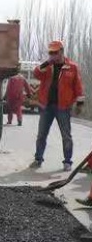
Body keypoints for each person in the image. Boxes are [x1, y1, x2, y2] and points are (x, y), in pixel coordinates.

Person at [29, 41, 84, 172]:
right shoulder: (47, 67)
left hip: (63, 107)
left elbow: (78, 87)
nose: (53, 55)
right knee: (41, 135)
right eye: (50, 52)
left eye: (55, 52)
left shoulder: (72, 67)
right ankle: (38, 159)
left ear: (61, 51)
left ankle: (67, 162)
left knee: (66, 136)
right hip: (46, 106)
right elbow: (36, 73)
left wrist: (80, 104)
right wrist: (47, 62)